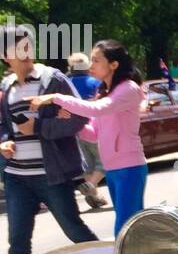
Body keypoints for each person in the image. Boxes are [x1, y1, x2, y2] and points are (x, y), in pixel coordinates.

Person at [30, 40, 149, 236]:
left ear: (114, 64)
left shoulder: (129, 88)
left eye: (96, 60)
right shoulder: (104, 92)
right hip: (113, 169)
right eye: (90, 60)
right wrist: (72, 123)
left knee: (125, 227)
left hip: (130, 168)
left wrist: (56, 98)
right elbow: (93, 134)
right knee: (131, 227)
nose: (90, 65)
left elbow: (98, 109)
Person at [0, 32, 99, 254]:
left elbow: (79, 116)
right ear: (5, 57)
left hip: (51, 175)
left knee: (74, 230)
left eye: (27, 47)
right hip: (17, 177)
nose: (25, 53)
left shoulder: (52, 79)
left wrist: (40, 126)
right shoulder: (7, 86)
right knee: (18, 242)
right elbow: (4, 124)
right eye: (17, 49)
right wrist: (5, 140)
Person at [66, 51, 109, 210]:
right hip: (94, 127)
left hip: (73, 130)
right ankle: (91, 186)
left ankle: (94, 196)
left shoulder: (66, 82)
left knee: (88, 165)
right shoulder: (96, 82)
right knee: (105, 161)